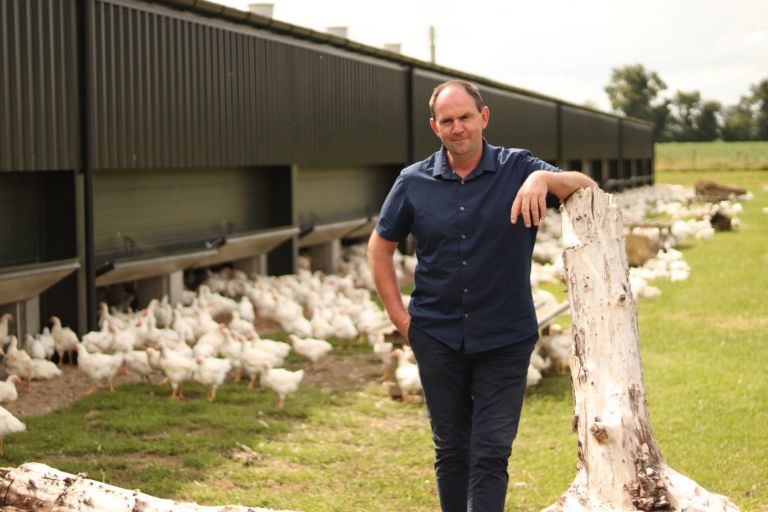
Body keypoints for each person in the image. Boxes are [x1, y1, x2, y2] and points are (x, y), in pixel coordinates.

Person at [367, 79, 597, 512]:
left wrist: (542, 178)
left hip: (505, 336)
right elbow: (380, 247)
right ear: (435, 126)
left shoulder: (518, 168)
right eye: (448, 121)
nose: (458, 128)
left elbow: (585, 185)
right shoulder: (412, 181)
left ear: (483, 117)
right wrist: (401, 319)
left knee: (491, 451)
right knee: (452, 450)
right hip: (436, 335)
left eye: (466, 118)